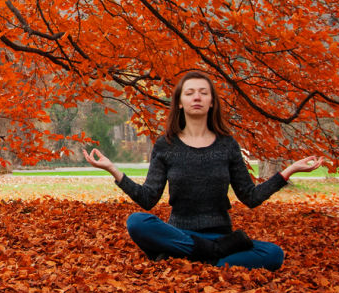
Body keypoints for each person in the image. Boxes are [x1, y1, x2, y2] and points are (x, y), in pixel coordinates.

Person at [83, 70, 323, 270]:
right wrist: (113, 170)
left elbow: (250, 197)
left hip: (221, 236)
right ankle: (211, 256)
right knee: (137, 222)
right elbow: (148, 199)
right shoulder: (166, 145)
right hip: (180, 235)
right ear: (179, 102)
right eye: (189, 93)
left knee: (274, 254)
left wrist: (289, 170)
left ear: (211, 102)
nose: (196, 97)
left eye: (203, 93)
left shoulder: (227, 144)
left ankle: (193, 257)